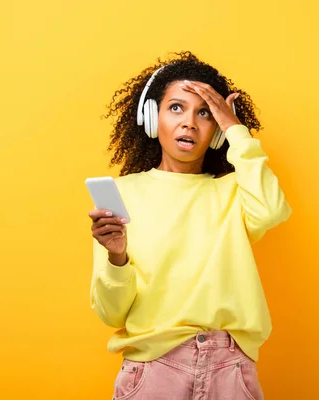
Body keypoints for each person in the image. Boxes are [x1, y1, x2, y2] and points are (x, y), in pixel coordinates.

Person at [88, 51, 292, 399]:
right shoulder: (123, 193)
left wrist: (236, 130)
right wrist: (117, 258)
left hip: (230, 369)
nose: (189, 123)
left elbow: (272, 210)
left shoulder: (234, 190)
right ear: (152, 118)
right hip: (154, 369)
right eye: (176, 108)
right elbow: (111, 314)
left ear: (216, 130)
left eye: (204, 113)